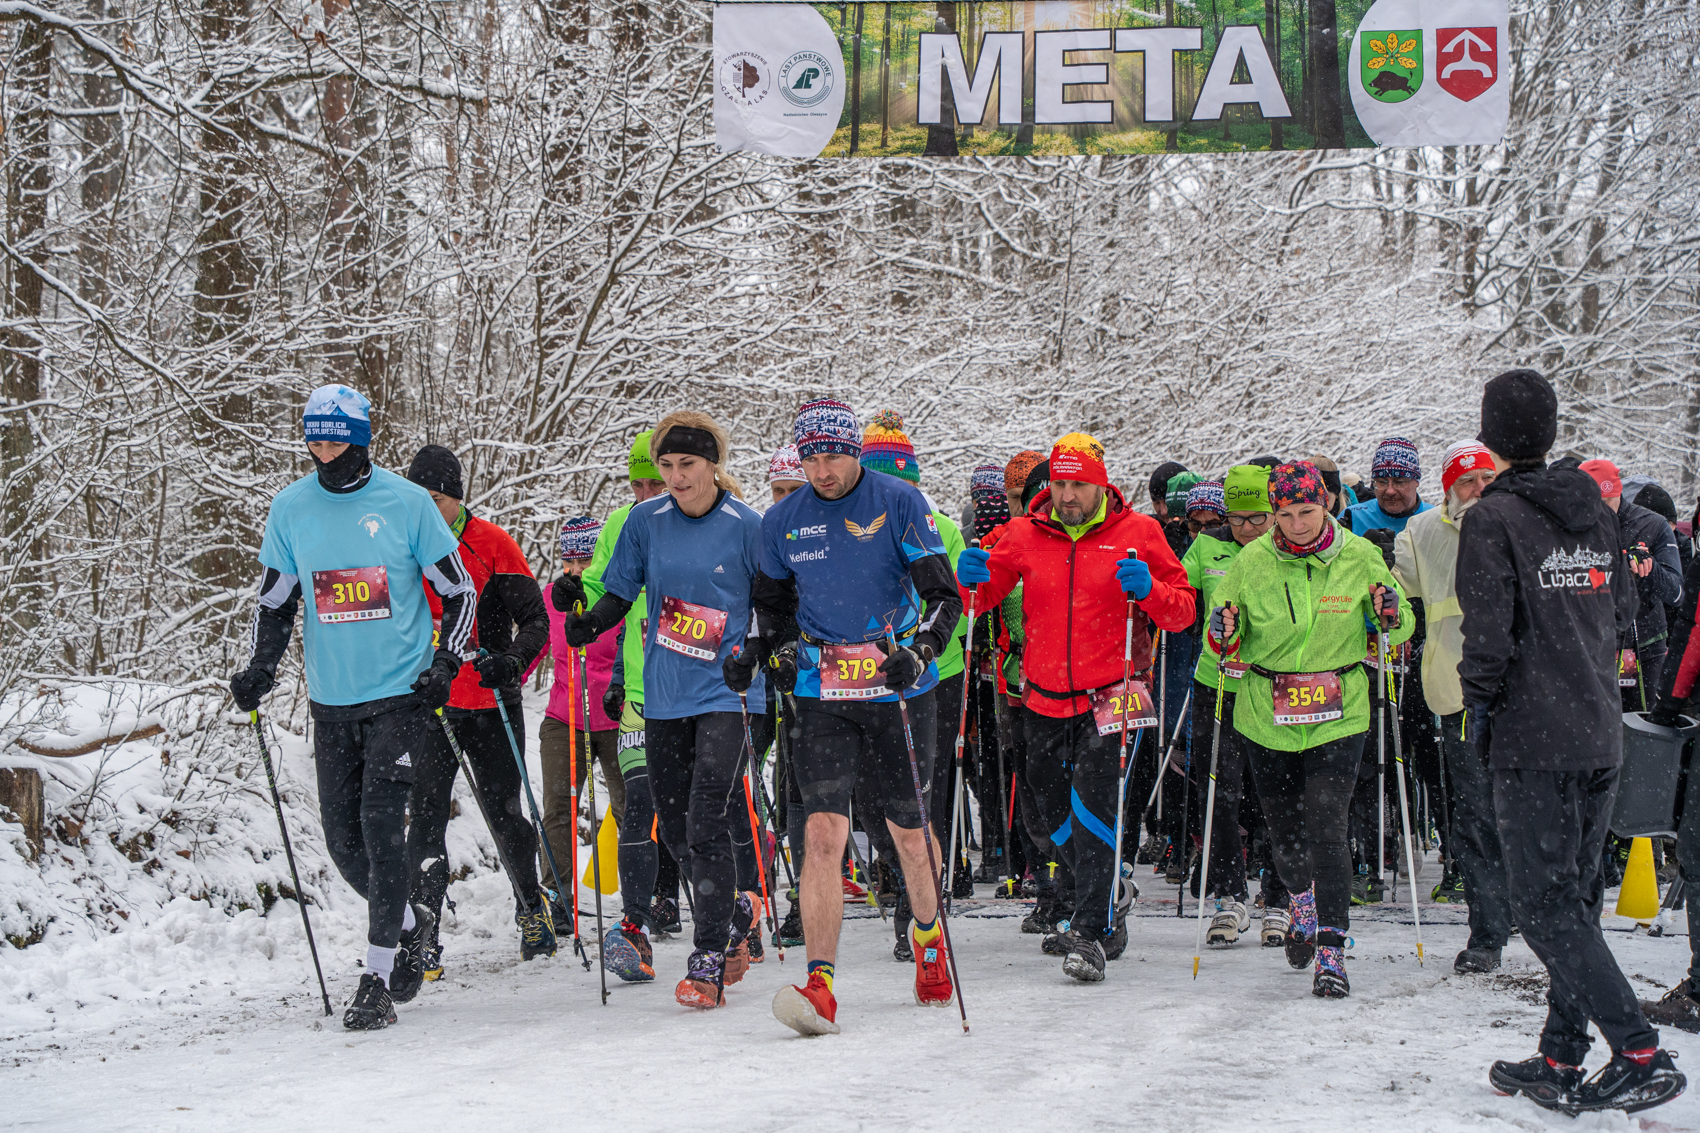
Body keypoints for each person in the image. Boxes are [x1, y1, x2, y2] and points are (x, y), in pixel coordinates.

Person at [1459, 369, 1685, 1115]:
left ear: (1489, 437)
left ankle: (1638, 1046)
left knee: (1543, 905)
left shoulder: (1493, 519)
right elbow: (1625, 611)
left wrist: (1481, 709)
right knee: (1575, 901)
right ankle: (1561, 1054)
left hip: (1535, 735)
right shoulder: (1592, 505)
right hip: (1597, 724)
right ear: (1552, 430)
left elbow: (1486, 636)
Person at [229, 385, 476, 1031]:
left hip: (398, 694)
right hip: (331, 699)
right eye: (314, 437)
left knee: (379, 825)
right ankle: (408, 920)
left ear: (361, 438)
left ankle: (375, 975)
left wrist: (444, 661)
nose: (323, 449)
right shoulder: (291, 508)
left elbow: (460, 590)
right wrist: (260, 668)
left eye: (336, 437)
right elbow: (276, 601)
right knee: (343, 844)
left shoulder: (407, 502)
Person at [736, 397, 963, 1036]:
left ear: (854, 451)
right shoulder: (781, 520)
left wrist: (921, 654)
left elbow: (944, 597)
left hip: (895, 689)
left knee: (909, 836)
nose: (821, 470)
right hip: (821, 690)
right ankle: (821, 981)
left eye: (832, 455)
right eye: (809, 458)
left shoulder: (898, 502)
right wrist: (777, 650)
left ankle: (928, 938)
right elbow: (772, 605)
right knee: (821, 833)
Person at [956, 432, 1195, 982]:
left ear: (1100, 485)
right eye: (1060, 484)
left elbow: (1181, 612)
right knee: (1048, 816)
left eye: (1078, 485)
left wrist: (1151, 591)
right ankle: (1104, 889)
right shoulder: (1023, 533)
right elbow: (983, 598)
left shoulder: (1138, 533)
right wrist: (972, 578)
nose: (1068, 495)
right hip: (1040, 697)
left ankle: (1093, 929)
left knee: (1095, 807)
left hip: (1112, 694)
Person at [566, 412, 767, 1007]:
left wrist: (755, 650)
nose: (677, 478)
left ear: (714, 466)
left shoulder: (747, 526)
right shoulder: (643, 523)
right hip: (665, 693)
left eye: (689, 465)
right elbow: (621, 592)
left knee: (706, 811)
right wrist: (585, 622)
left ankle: (706, 958)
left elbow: (776, 605)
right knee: (675, 825)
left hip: (728, 694)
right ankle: (732, 909)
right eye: (667, 466)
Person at [1207, 461, 1411, 1000]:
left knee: (1327, 827)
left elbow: (1401, 622)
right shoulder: (1251, 561)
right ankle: (1300, 900)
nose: (1297, 524)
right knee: (1285, 835)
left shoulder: (1360, 555)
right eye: (1286, 514)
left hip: (1338, 709)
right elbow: (1222, 628)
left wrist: (1389, 614)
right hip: (1266, 712)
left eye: (1308, 511)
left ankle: (1332, 948)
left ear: (1327, 506)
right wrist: (1222, 630)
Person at [402, 445, 553, 976]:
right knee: (423, 821)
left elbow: (537, 622)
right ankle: (423, 936)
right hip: (430, 705)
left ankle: (532, 909)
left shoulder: (491, 542)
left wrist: (511, 663)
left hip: (490, 703)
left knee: (504, 813)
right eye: (418, 497)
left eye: (436, 498)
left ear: (456, 497)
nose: (426, 508)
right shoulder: (403, 544)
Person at [1393, 441, 1510, 974]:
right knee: (1476, 813)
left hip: (1525, 692)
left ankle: (1543, 913)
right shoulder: (1421, 533)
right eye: (1468, 482)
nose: (1480, 490)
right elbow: (1399, 592)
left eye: (1487, 478)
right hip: (1457, 689)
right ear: (1448, 489)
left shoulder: (1524, 524)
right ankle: (1487, 929)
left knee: (1532, 810)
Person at [1180, 468, 1280, 947]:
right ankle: (1229, 895)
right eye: (1236, 518)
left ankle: (1281, 897)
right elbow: (1181, 595)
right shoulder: (1208, 546)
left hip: (1273, 685)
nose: (1247, 529)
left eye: (1258, 517)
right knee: (1218, 789)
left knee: (1277, 792)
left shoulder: (1288, 548)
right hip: (1216, 680)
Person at [539, 517, 623, 937]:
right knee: (558, 808)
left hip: (616, 715)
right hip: (564, 717)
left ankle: (644, 900)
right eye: (569, 558)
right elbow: (533, 647)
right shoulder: (552, 598)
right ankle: (556, 899)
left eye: (585, 558)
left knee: (632, 808)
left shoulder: (618, 596)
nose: (576, 568)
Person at [1579, 460, 1682, 713]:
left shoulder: (1653, 525)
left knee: (1640, 732)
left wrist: (1650, 569)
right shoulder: (1571, 525)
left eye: (1605, 504)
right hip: (1588, 646)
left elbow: (1677, 593)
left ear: (1618, 494)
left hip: (1644, 647)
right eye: (1590, 505)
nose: (1599, 513)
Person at [1345, 438, 1432, 534]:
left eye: (1399, 482)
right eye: (1382, 482)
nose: (1390, 491)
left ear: (1416, 481)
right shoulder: (1353, 518)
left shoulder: (1436, 520)